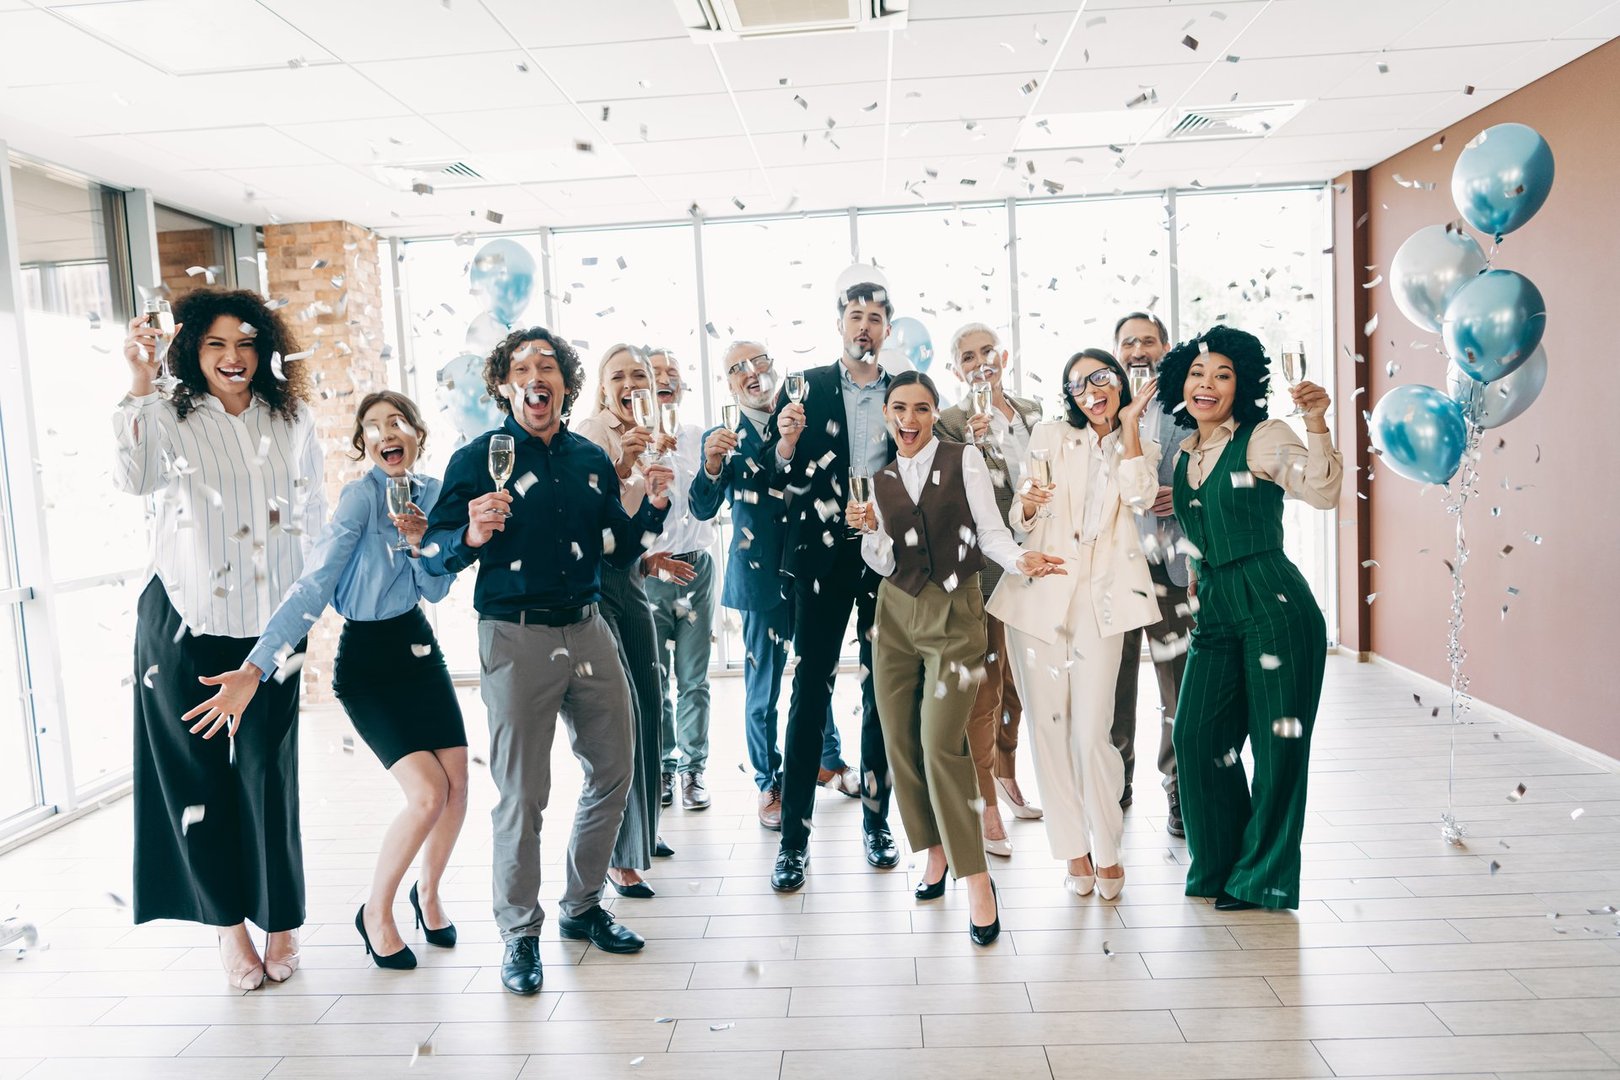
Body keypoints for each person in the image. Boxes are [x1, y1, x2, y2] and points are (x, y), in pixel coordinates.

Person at [420, 328, 673, 994]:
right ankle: (519, 933)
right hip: (515, 637)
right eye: (522, 368)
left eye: (549, 366)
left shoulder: (589, 457)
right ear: (506, 384)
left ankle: (583, 907)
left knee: (615, 771)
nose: (537, 376)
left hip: (589, 631)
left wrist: (654, 505)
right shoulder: (475, 460)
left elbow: (616, 551)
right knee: (524, 794)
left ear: (564, 383)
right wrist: (470, 533)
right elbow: (437, 554)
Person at [184, 391, 468, 972]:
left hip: (419, 648)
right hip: (366, 663)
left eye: (397, 422)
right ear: (364, 445)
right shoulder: (358, 501)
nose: (386, 432)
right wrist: (256, 667)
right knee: (427, 794)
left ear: (417, 433)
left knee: (458, 787)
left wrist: (420, 543)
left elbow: (437, 590)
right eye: (372, 427)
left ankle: (429, 894)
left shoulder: (437, 495)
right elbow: (313, 589)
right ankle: (376, 913)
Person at [113, 288, 323, 990]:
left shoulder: (291, 420)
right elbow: (134, 479)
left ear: (265, 350)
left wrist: (299, 621)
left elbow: (313, 519)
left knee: (269, 776)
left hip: (270, 628)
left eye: (246, 343)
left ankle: (281, 920)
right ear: (192, 350)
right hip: (181, 618)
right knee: (196, 780)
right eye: (215, 344)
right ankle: (231, 931)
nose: (233, 357)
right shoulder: (169, 416)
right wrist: (139, 381)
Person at [848, 371, 1066, 945]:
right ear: (888, 414)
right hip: (894, 616)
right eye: (899, 408)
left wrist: (1021, 561)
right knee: (898, 742)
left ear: (933, 412)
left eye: (921, 408)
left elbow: (990, 532)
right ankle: (935, 851)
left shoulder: (963, 458)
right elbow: (880, 560)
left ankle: (977, 880)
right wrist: (869, 533)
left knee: (941, 744)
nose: (909, 419)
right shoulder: (879, 478)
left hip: (954, 611)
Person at [1153, 326, 1342, 911]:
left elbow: (1323, 493)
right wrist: (1194, 567)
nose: (1206, 385)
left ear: (1243, 385)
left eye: (1222, 375)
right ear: (1180, 382)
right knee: (1196, 735)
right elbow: (1200, 529)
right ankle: (1222, 863)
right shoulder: (1185, 452)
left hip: (1273, 603)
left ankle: (1263, 878)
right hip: (1214, 606)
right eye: (1197, 374)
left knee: (1276, 746)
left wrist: (1316, 422)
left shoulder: (1262, 438)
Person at [989, 348, 1161, 901]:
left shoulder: (1141, 443)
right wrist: (1031, 505)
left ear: (1117, 382)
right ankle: (1075, 852)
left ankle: (1108, 849)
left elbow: (1138, 497)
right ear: (1069, 393)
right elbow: (1020, 514)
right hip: (1041, 593)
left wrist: (1129, 426)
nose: (1093, 388)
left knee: (1091, 733)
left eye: (1102, 377)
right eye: (1079, 382)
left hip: (1102, 600)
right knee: (1049, 730)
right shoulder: (1047, 435)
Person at [764, 280, 899, 891]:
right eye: (855, 315)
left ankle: (876, 823)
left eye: (875, 318)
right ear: (839, 324)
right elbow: (779, 470)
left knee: (881, 693)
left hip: (883, 556)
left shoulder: (906, 393)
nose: (864, 326)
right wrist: (787, 443)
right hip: (818, 558)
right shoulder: (807, 387)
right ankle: (794, 839)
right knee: (809, 692)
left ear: (887, 331)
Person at [690, 341, 851, 830]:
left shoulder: (803, 412)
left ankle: (827, 758)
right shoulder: (722, 435)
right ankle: (768, 782)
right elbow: (701, 508)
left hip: (811, 566)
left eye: (761, 361)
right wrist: (711, 467)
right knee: (763, 688)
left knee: (816, 671)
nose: (752, 372)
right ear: (729, 382)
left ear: (775, 368)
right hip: (758, 579)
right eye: (738, 368)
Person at [574, 344, 686, 899]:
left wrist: (656, 512)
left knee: (649, 704)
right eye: (617, 375)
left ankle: (641, 835)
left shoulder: (650, 438)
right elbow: (585, 523)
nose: (630, 382)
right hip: (592, 587)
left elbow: (632, 538)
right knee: (619, 720)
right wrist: (622, 468)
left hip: (630, 579)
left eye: (638, 375)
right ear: (603, 386)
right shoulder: (592, 433)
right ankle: (621, 857)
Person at [935, 322, 1046, 857]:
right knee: (987, 688)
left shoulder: (1032, 410)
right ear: (956, 370)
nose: (980, 362)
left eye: (986, 352)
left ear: (1002, 356)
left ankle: (1007, 771)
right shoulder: (949, 424)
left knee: (1021, 687)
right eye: (967, 357)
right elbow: (948, 499)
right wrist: (970, 449)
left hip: (1035, 564)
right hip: (984, 568)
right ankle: (986, 805)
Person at [1112, 311, 1193, 836]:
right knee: (1112, 684)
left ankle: (1179, 792)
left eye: (1147, 340)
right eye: (1128, 343)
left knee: (1177, 686)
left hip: (1172, 564)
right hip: (1117, 567)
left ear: (1165, 345)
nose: (1138, 350)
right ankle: (1114, 783)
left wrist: (1182, 495)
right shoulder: (1103, 407)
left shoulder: (1192, 404)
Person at [643, 348, 718, 813]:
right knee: (656, 677)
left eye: (674, 373)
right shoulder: (632, 442)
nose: (667, 379)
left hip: (697, 569)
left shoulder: (698, 437)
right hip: (650, 573)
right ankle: (665, 768)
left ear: (683, 389)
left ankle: (694, 770)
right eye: (657, 375)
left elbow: (705, 501)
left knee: (694, 677)